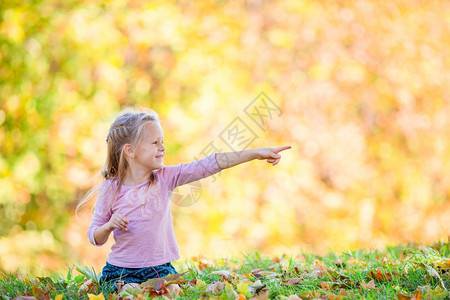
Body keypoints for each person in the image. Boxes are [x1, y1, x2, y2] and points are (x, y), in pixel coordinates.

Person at [78, 106, 291, 295]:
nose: (162, 148)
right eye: (155, 143)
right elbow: (94, 236)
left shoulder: (165, 178)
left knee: (172, 290)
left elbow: (210, 164)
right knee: (129, 293)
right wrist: (109, 225)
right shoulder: (111, 188)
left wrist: (255, 153)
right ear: (130, 150)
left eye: (163, 142)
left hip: (159, 268)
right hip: (121, 270)